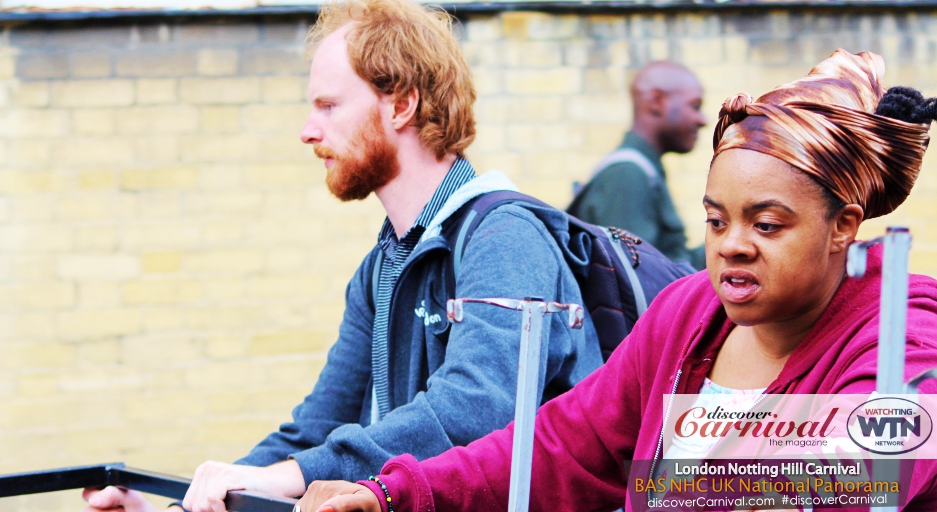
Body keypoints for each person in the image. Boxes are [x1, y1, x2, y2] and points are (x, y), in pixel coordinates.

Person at [300, 49, 937, 512]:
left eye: (767, 225)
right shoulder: (689, 315)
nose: (733, 246)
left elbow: (851, 480)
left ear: (842, 227)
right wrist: (394, 492)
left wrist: (652, 488)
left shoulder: (904, 341)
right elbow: (564, 444)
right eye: (716, 221)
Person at [82, 0, 602, 512]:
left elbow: (473, 410)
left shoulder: (504, 238)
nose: (309, 132)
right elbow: (316, 431)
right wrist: (187, 507)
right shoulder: (382, 269)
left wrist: (292, 475)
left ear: (402, 104)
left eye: (329, 106)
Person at [568, 61, 707, 270]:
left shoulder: (643, 170)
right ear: (656, 102)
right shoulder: (627, 175)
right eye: (694, 106)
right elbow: (638, 281)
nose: (702, 120)